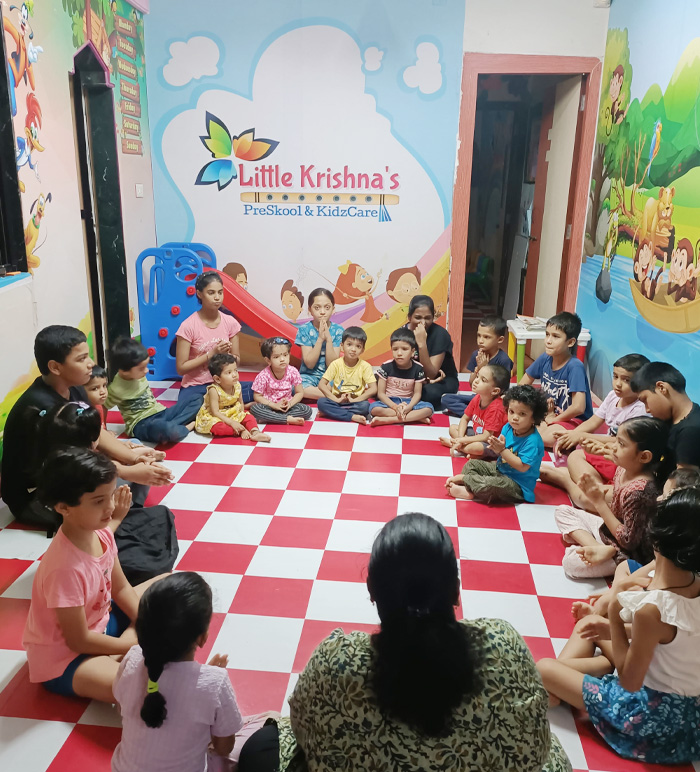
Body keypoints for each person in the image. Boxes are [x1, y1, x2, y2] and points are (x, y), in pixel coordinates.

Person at [237, 513, 571, 772]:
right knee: (555, 750)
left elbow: (303, 730)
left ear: (371, 590)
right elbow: (535, 750)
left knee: (261, 747)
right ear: (455, 591)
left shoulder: (335, 662)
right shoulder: (504, 646)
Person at [538, 486, 700, 765]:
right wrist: (608, 628)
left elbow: (630, 682)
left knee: (543, 667)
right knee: (591, 623)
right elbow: (674, 640)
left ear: (657, 538)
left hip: (647, 718)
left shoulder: (652, 609)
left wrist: (614, 610)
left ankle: (562, 688)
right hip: (689, 717)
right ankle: (583, 676)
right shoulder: (691, 583)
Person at [22, 448, 163, 703]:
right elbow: (78, 641)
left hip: (102, 622)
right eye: (99, 501)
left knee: (175, 585)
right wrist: (137, 644)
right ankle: (121, 650)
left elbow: (121, 589)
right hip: (66, 658)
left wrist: (149, 625)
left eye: (110, 495)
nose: (110, 507)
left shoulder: (101, 533)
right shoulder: (64, 568)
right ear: (63, 507)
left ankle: (121, 647)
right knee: (142, 693)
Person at [1, 326, 172, 527]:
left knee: (133, 447)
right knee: (104, 484)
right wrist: (128, 472)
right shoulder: (44, 409)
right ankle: (116, 522)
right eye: (81, 359)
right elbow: (73, 464)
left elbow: (95, 430)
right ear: (56, 367)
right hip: (37, 494)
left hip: (69, 467)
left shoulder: (74, 388)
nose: (91, 363)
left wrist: (134, 458)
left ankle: (126, 512)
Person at [561, 468, 700, 675]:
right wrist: (614, 597)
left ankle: (551, 681)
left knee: (582, 631)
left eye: (666, 496)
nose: (659, 499)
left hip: (644, 675)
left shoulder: (665, 596)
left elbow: (657, 635)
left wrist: (612, 618)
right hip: (652, 656)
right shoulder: (682, 572)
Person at [112, 572, 243, 772]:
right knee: (261, 726)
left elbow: (123, 710)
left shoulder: (132, 658)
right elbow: (224, 747)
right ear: (203, 637)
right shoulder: (215, 683)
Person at [553, 416, 667, 578]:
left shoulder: (640, 492)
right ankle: (597, 548)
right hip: (609, 533)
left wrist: (599, 503)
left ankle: (602, 551)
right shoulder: (624, 469)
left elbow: (629, 541)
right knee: (563, 511)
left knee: (571, 565)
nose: (613, 447)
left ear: (644, 457)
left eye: (621, 444)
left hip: (629, 553)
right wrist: (597, 449)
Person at [542, 354, 649, 506]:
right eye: (615, 377)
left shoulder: (640, 409)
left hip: (620, 456)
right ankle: (589, 484)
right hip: (607, 447)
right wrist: (573, 434)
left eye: (626, 380)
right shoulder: (613, 396)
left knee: (576, 455)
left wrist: (580, 436)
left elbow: (621, 441)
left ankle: (586, 487)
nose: (618, 384)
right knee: (568, 441)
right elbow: (594, 421)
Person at [445, 384, 547, 504]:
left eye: (522, 414)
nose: (514, 417)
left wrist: (502, 450)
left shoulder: (533, 441)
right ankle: (471, 488)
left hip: (518, 485)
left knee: (493, 484)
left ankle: (467, 482)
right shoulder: (508, 427)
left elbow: (522, 467)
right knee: (472, 464)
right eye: (511, 411)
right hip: (500, 470)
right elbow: (495, 446)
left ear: (534, 418)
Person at [175, 272, 251, 412]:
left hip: (225, 385)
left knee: (261, 388)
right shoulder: (188, 326)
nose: (217, 297)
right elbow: (181, 368)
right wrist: (212, 354)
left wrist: (228, 356)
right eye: (211, 293)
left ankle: (223, 406)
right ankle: (227, 407)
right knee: (193, 405)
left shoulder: (230, 323)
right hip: (197, 387)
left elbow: (237, 360)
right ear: (199, 294)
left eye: (220, 292)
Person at [519, 312, 593, 448]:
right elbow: (522, 385)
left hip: (573, 420)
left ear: (570, 342)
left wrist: (553, 420)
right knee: (515, 422)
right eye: (547, 334)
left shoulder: (574, 366)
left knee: (545, 437)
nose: (548, 340)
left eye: (555, 336)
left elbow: (579, 407)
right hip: (549, 415)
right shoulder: (544, 358)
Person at [108, 338, 200, 444]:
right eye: (141, 368)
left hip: (160, 412)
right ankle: (185, 427)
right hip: (141, 424)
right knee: (163, 428)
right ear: (124, 371)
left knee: (196, 399)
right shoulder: (116, 389)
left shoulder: (137, 372)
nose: (146, 370)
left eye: (146, 366)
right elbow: (103, 406)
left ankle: (172, 428)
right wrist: (104, 428)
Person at [631, 361, 700, 482]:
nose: (647, 409)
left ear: (662, 388)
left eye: (645, 400)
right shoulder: (668, 419)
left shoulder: (690, 431)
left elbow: (684, 486)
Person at [441, 316, 513, 417]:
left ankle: (478, 414)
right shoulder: (477, 355)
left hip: (495, 400)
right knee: (446, 398)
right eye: (479, 335)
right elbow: (472, 385)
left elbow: (502, 390)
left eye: (486, 337)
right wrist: (478, 369)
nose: (481, 341)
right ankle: (478, 415)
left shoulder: (503, 360)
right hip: (478, 397)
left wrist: (485, 368)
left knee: (503, 408)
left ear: (500, 339)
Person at [439, 364, 510, 458]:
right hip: (478, 434)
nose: (476, 381)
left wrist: (461, 441)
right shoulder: (477, 398)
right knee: (453, 428)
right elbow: (465, 419)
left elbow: (486, 437)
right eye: (477, 376)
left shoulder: (496, 408)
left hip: (492, 442)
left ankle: (454, 445)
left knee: (477, 447)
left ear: (495, 391)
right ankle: (466, 449)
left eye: (483, 380)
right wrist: (460, 438)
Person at [196, 354, 270, 442]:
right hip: (217, 416)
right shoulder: (214, 390)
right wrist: (231, 422)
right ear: (217, 379)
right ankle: (240, 431)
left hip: (233, 412)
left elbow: (240, 403)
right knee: (217, 427)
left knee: (249, 417)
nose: (235, 375)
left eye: (236, 370)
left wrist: (241, 416)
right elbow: (215, 412)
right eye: (229, 372)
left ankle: (255, 432)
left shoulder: (237, 385)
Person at [369, 328, 434, 426]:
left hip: (409, 402)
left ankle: (389, 420)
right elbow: (381, 394)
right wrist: (395, 407)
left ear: (413, 351)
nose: (399, 353)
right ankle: (415, 418)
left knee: (429, 409)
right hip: (390, 402)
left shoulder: (418, 368)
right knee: (374, 409)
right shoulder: (386, 366)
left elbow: (417, 394)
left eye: (404, 349)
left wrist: (409, 407)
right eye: (395, 349)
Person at [406, 295, 459, 410]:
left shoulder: (441, 335)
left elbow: (431, 374)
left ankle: (408, 399)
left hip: (440, 380)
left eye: (428, 318)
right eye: (418, 317)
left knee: (429, 393)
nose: (423, 323)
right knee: (379, 381)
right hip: (413, 378)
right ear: (409, 317)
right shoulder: (402, 333)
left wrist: (422, 344)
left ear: (433, 318)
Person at [317, 327, 377, 424]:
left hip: (356, 402)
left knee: (365, 406)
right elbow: (321, 384)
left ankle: (333, 413)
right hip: (337, 401)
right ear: (342, 346)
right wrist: (336, 399)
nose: (353, 349)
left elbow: (373, 388)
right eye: (349, 345)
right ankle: (351, 416)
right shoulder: (336, 364)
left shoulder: (365, 366)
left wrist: (355, 400)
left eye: (358, 346)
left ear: (362, 350)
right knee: (321, 402)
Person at [295, 288, 344, 400]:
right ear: (310, 310)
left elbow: (332, 364)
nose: (322, 312)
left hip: (330, 377)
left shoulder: (338, 330)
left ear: (333, 309)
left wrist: (329, 339)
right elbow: (310, 364)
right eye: (317, 308)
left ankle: (319, 395)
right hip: (309, 375)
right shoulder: (304, 329)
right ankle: (331, 397)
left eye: (327, 307)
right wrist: (320, 339)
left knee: (345, 382)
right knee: (297, 386)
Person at [250, 337, 313, 426]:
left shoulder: (293, 371)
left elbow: (299, 392)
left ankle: (273, 418)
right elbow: (257, 396)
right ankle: (287, 419)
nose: (282, 359)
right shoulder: (263, 375)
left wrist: (290, 404)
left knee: (307, 410)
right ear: (268, 360)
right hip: (270, 406)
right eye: (276, 357)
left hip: (287, 406)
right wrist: (274, 405)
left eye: (285, 355)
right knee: (255, 409)